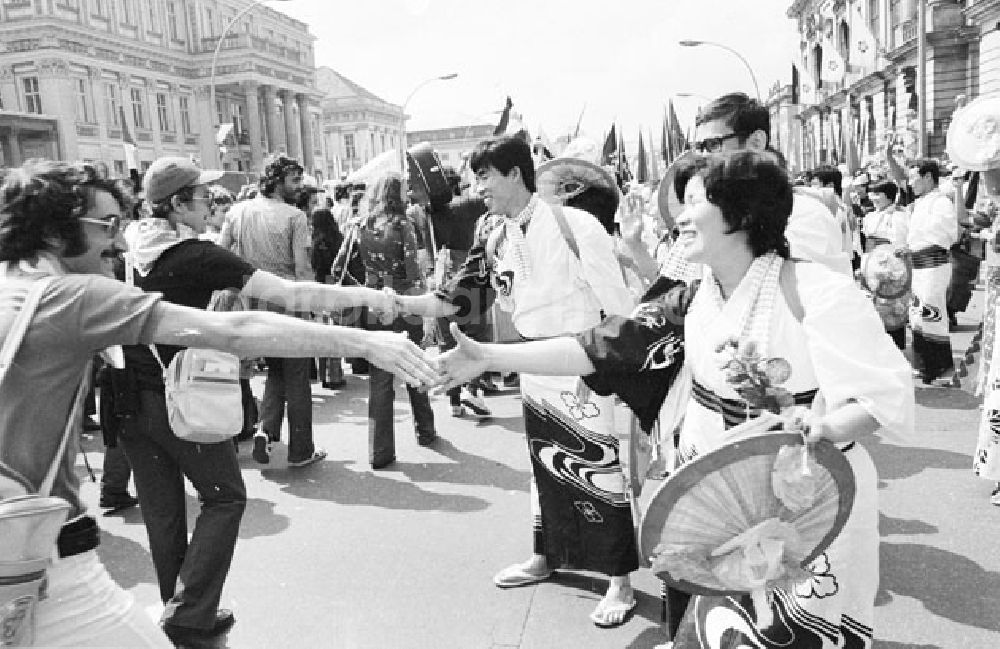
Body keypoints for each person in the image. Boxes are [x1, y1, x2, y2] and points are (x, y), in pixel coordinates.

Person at [437, 150, 914, 648]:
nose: (680, 218)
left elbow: (882, 397)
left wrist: (826, 429)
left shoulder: (817, 292)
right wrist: (490, 356)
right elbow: (598, 347)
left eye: (696, 203)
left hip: (801, 487)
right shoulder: (692, 298)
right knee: (713, 617)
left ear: (744, 216)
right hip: (714, 485)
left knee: (787, 624)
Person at [0, 160, 434, 647]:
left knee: (162, 513)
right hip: (54, 549)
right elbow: (246, 323)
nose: (118, 241)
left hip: (122, 406)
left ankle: (181, 607)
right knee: (225, 496)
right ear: (56, 236)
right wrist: (365, 341)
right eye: (106, 226)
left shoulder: (20, 286)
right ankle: (188, 612)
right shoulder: (77, 292)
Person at [394, 135, 639, 628]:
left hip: (582, 361)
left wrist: (609, 368)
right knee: (544, 464)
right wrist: (396, 305)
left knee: (601, 469)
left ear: (514, 174)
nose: (475, 186)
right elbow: (460, 298)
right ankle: (546, 555)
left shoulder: (577, 224)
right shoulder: (494, 233)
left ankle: (619, 579)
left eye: (484, 176)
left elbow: (618, 307)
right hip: (530, 361)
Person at [218, 154, 323, 466]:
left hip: (255, 302)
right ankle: (301, 449)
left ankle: (265, 430)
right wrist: (315, 303)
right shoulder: (295, 216)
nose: (299, 186)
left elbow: (221, 254)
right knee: (298, 375)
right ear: (276, 180)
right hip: (289, 300)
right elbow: (302, 268)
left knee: (276, 370)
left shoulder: (236, 212)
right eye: (294, 180)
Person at [350, 172, 437, 468]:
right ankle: (425, 430)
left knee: (380, 378)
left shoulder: (362, 224)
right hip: (403, 300)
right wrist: (425, 314)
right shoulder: (402, 225)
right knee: (415, 365)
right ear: (396, 193)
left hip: (374, 302)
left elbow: (354, 266)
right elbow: (413, 272)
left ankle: (380, 451)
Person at [905, 158, 958, 386]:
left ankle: (938, 367)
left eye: (913, 177)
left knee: (931, 313)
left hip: (934, 264)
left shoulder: (941, 202)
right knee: (918, 314)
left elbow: (944, 236)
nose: (910, 183)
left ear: (928, 176)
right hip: (919, 266)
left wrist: (912, 247)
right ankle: (925, 364)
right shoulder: (922, 203)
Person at [310, 199, 347, 390]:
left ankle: (323, 373)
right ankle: (335, 374)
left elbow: (314, 266)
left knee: (321, 332)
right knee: (335, 330)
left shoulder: (314, 242)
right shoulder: (338, 239)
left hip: (318, 287)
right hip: (335, 285)